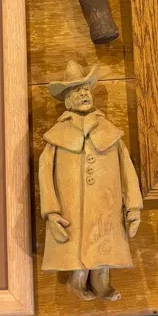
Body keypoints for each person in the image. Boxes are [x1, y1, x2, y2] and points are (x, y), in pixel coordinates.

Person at [39, 60, 143, 302]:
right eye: (77, 91)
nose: (84, 94)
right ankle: (77, 278)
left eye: (86, 89)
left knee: (103, 238)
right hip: (70, 205)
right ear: (68, 100)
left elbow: (127, 168)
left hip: (105, 203)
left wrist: (133, 206)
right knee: (74, 240)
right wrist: (51, 212)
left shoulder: (109, 131)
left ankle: (101, 280)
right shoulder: (57, 135)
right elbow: (45, 173)